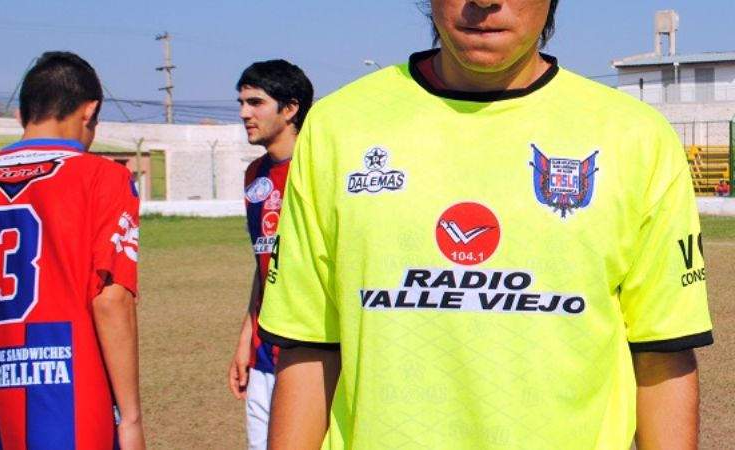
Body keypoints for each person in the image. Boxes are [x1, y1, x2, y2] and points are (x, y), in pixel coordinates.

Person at [257, 1, 714, 449]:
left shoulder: (635, 136)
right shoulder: (340, 127)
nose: (485, 1)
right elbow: (309, 344)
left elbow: (662, 352)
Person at [0, 51, 145, 450]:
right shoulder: (104, 178)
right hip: (78, 404)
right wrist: (130, 418)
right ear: (89, 112)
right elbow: (110, 300)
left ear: (21, 115)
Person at [227, 59, 313, 450]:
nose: (245, 113)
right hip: (264, 354)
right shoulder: (255, 175)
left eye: (256, 102)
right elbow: (265, 263)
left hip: (313, 353)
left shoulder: (321, 168)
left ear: (290, 108)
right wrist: (245, 336)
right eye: (242, 102)